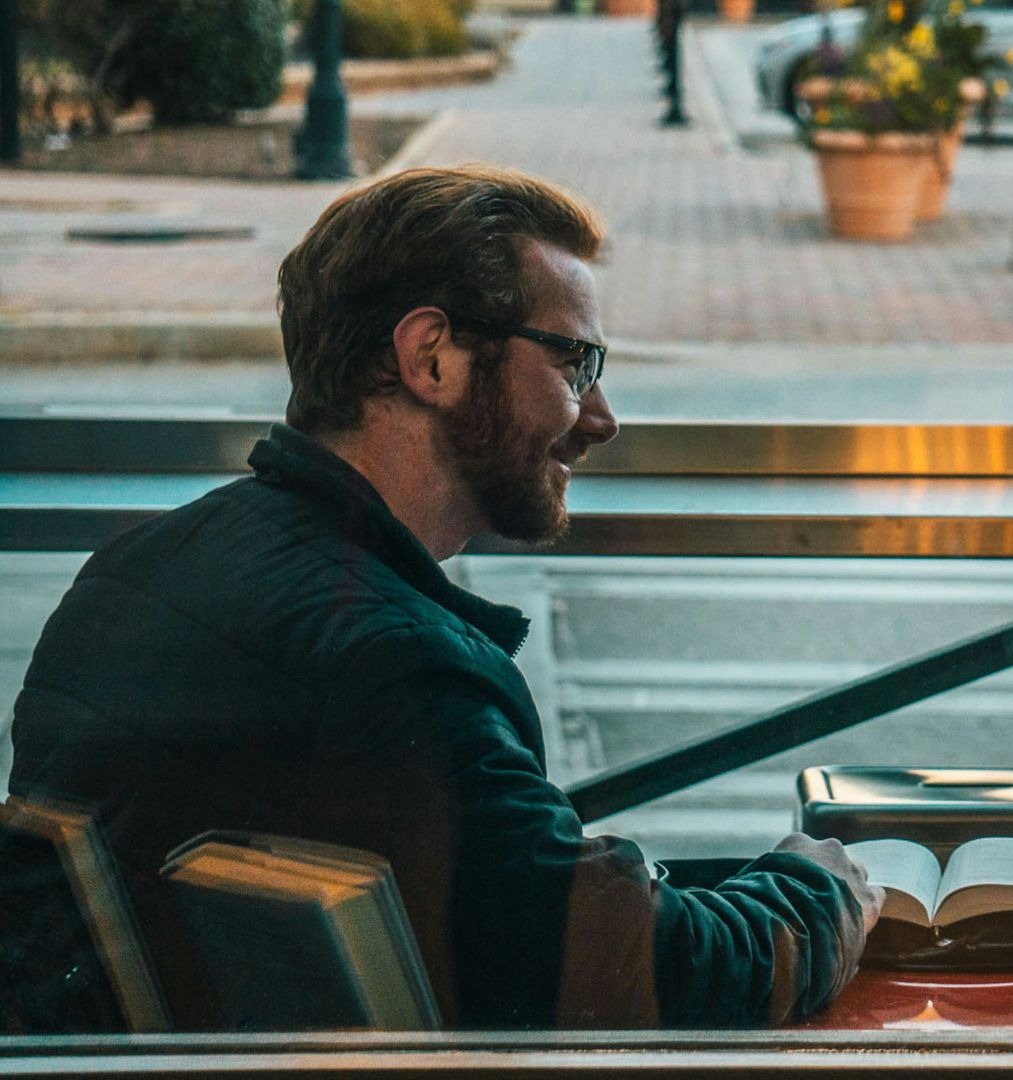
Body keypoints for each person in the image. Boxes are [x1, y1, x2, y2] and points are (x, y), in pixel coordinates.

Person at [6, 165, 884, 1031]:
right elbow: (645, 972)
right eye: (576, 364)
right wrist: (819, 888)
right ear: (431, 356)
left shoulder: (131, 573)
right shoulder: (393, 667)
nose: (600, 416)